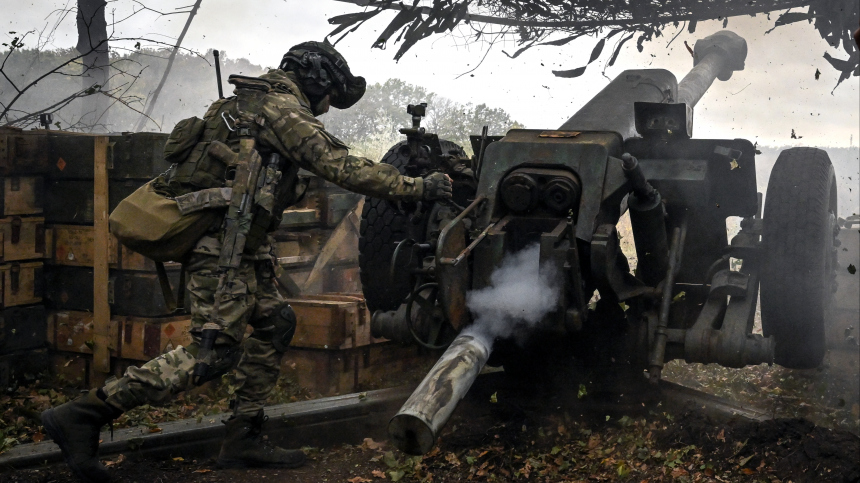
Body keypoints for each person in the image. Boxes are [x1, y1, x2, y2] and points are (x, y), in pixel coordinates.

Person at [41, 40, 453, 483]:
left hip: (242, 245)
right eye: (329, 94)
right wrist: (419, 187)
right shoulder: (281, 110)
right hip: (222, 247)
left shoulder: (244, 103)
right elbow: (342, 166)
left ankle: (243, 437)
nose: (327, 105)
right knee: (214, 351)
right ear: (315, 79)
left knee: (276, 322)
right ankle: (84, 414)